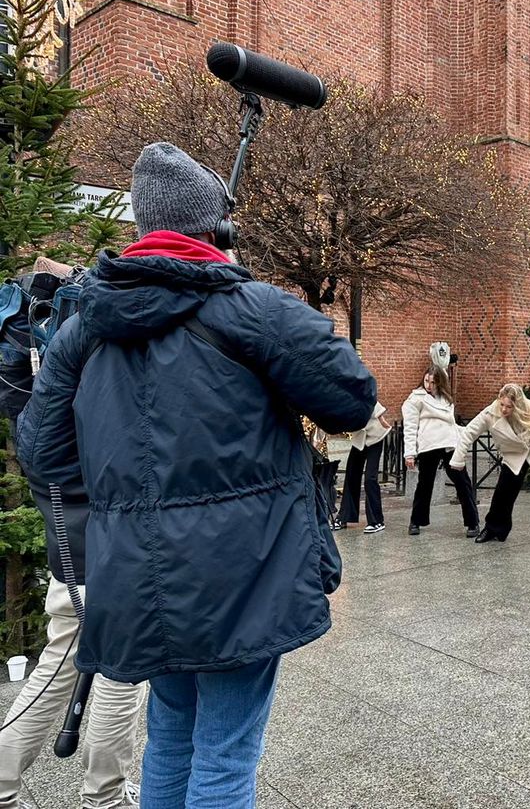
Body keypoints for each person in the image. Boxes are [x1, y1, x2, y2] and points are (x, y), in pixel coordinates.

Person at [16, 142, 377, 806]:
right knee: (226, 753)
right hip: (246, 574)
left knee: (173, 735)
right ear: (217, 229)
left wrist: (124, 494)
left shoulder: (84, 326)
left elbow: (42, 455)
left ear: (142, 229)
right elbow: (351, 396)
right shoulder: (252, 309)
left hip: (140, 577)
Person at [0, 481, 145, 809]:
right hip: (109, 554)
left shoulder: (31, 426)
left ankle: (2, 785)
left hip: (74, 551)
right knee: (120, 680)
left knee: (55, 670)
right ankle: (105, 797)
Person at [450, 383, 530, 548]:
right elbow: (469, 432)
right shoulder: (489, 414)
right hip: (514, 454)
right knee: (503, 493)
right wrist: (458, 459)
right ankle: (493, 529)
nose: (504, 409)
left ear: (517, 405)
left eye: (509, 406)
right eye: (502, 405)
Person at [402, 366, 480, 537]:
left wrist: (463, 440)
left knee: (462, 482)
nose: (429, 385)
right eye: (426, 381)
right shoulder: (415, 398)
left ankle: (473, 522)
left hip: (450, 443)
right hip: (429, 444)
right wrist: (410, 453)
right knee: (425, 484)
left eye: (433, 382)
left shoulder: (446, 398)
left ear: (440, 382)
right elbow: (410, 427)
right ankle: (416, 521)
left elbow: (451, 424)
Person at [334, 401, 392, 533]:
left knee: (370, 478)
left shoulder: (357, 389)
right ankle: (344, 517)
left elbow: (372, 400)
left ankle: (377, 521)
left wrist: (381, 418)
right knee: (352, 474)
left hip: (375, 435)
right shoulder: (338, 397)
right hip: (359, 437)